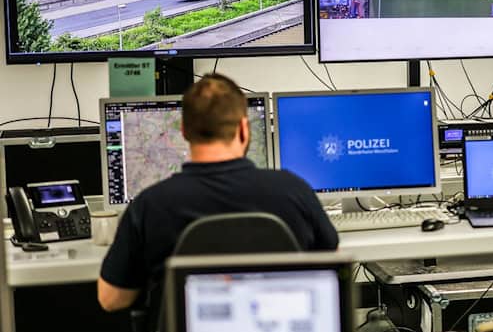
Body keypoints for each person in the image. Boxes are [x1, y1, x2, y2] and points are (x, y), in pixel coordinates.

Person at [97, 74, 339, 312]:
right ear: (244, 128)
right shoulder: (294, 191)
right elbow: (331, 268)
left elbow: (111, 299)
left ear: (184, 131)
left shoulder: (149, 205)